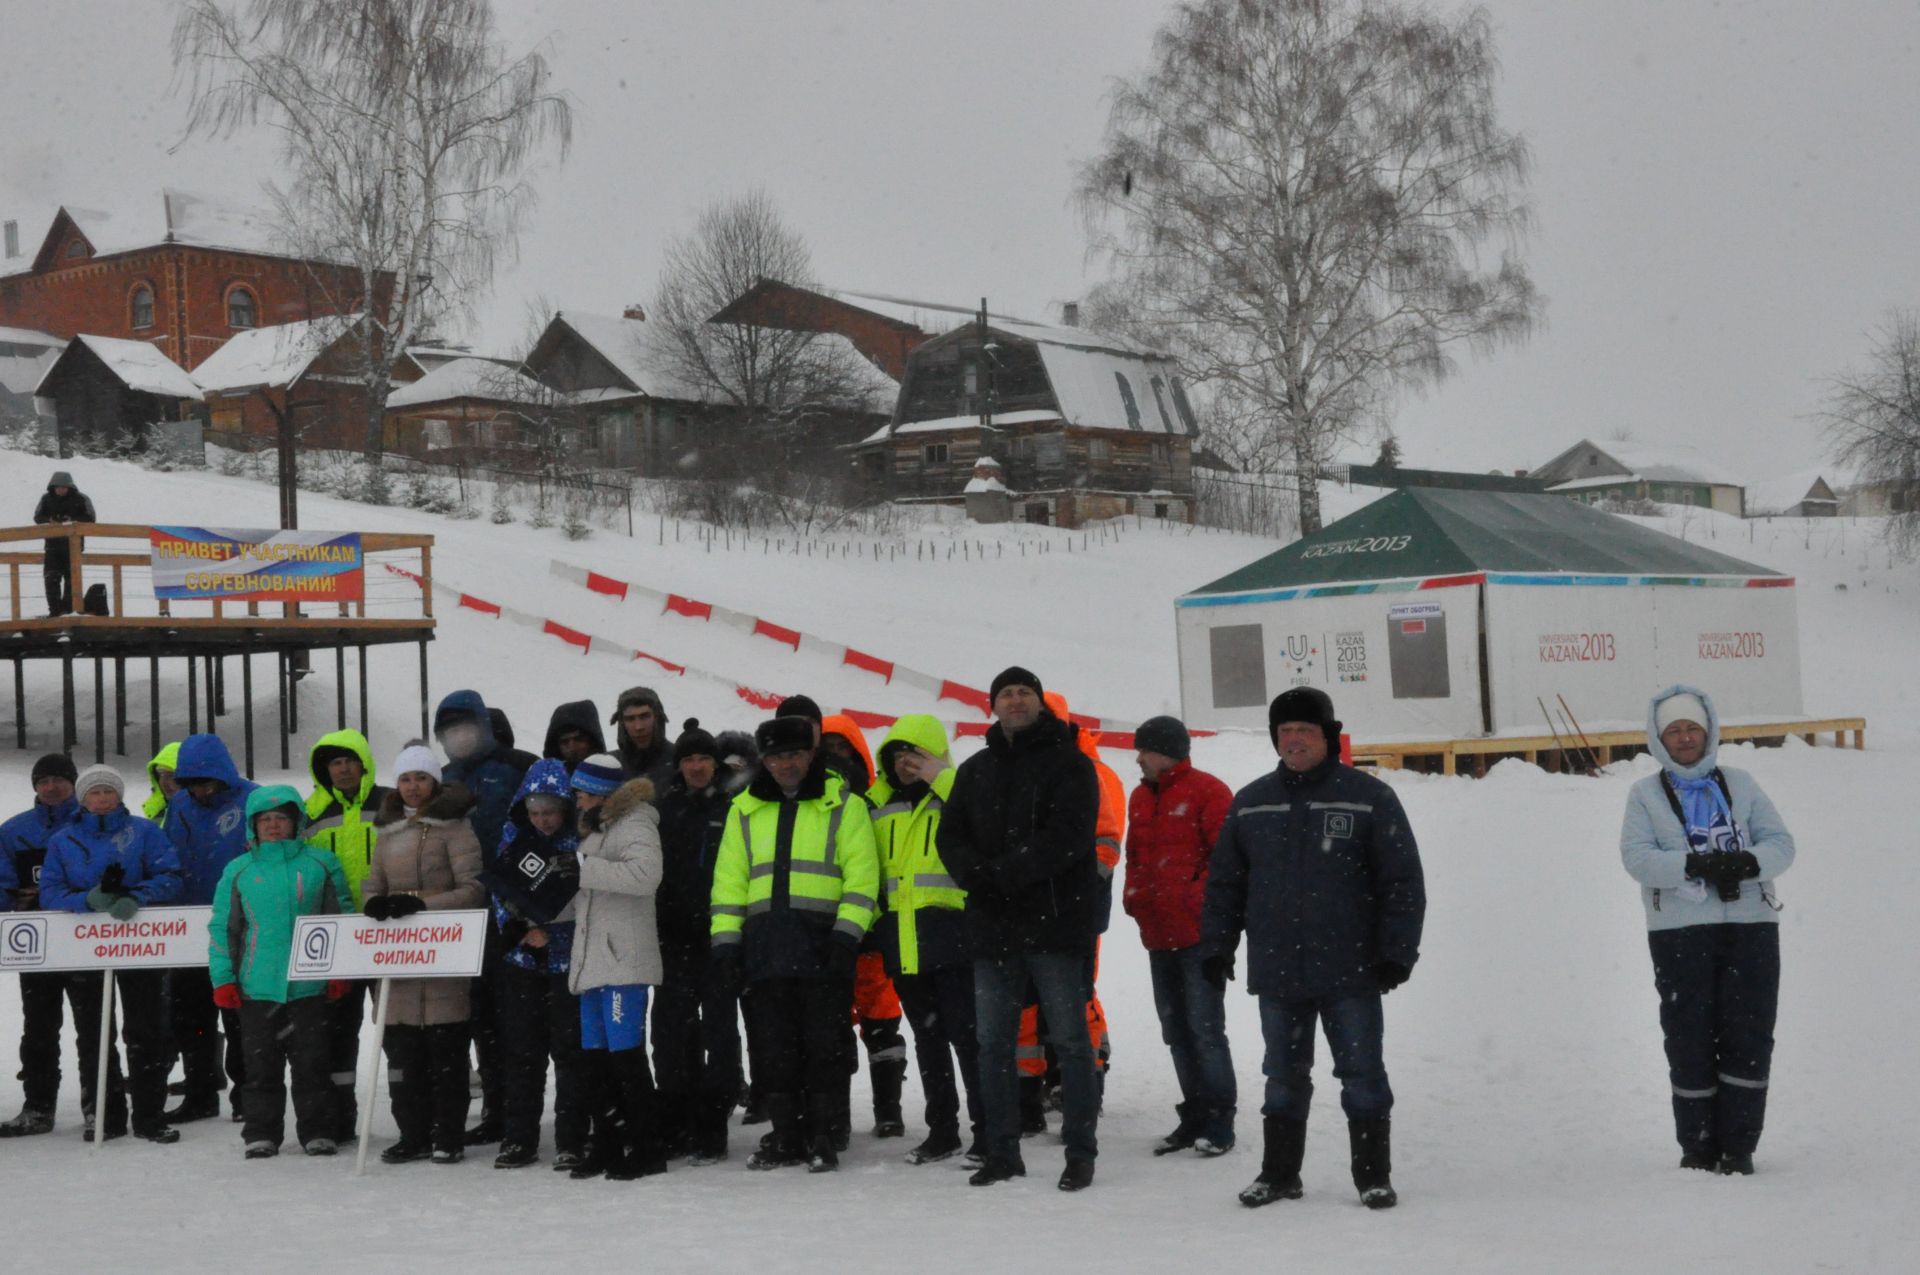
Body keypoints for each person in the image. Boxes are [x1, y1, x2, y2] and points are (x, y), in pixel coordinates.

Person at [1203, 687, 1425, 1210]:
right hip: (1279, 970)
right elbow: (1224, 886)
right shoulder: (1253, 801)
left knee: (1362, 1074)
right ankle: (1280, 1174)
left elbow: (1402, 882)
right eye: (1285, 732)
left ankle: (1373, 1176)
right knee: (1282, 1076)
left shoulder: (1368, 797)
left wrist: (1397, 950)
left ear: (1328, 736)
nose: (1294, 740)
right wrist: (1217, 948)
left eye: (1305, 730)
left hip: (1352, 968)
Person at [938, 666, 1103, 1192]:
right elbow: (951, 836)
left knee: (1072, 1043)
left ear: (1040, 703)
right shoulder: (976, 768)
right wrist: (976, 877)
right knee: (993, 1044)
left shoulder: (1071, 764)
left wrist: (1004, 874)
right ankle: (1002, 1151)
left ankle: (1080, 1153)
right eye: (1006, 693)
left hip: (1055, 925)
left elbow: (1070, 836)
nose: (1015, 700)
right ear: (993, 705)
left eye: (1024, 692)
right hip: (993, 927)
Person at [1621, 686, 1794, 1177]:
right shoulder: (1645, 795)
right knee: (1688, 1036)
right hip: (1679, 931)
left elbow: (1781, 844)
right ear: (1659, 739)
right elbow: (1637, 859)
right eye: (1673, 730)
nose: (1684, 737)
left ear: (1708, 731)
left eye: (1691, 728)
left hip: (1751, 927)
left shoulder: (1741, 784)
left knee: (1749, 1034)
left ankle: (1738, 1145)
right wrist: (1694, 865)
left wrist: (1746, 862)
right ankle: (1697, 1145)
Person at [710, 716, 879, 1173]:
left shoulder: (844, 805)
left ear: (811, 755)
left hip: (824, 946)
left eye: (795, 754)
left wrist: (846, 939)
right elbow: (729, 885)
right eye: (776, 755)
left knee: (824, 1047)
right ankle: (786, 1135)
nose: (786, 763)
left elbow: (862, 880)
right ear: (763, 760)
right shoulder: (743, 808)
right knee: (773, 1048)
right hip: (765, 949)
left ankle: (823, 1135)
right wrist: (726, 947)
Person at [39, 764, 184, 1144]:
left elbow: (170, 875)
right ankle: (106, 1113)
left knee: (145, 1030)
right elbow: (49, 891)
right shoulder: (64, 839)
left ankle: (150, 1115)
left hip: (138, 944)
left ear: (119, 796)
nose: (102, 800)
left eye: (109, 792)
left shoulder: (144, 832)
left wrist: (138, 896)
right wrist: (85, 900)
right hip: (85, 949)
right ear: (83, 799)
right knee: (93, 1033)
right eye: (94, 793)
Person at [208, 785, 354, 1159]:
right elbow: (225, 928)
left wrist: (341, 970)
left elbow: (340, 920)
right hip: (257, 985)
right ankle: (261, 1132)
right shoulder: (239, 870)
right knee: (260, 1067)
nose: (273, 826)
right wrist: (223, 977)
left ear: (296, 822)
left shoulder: (322, 864)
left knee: (313, 1064)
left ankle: (318, 1130)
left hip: (310, 986)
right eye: (265, 819)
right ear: (253, 826)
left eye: (282, 818)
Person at [868, 714, 984, 1166]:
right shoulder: (876, 806)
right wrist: (880, 923)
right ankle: (943, 1131)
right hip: (903, 943)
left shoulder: (957, 796)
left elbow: (984, 813)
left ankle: (988, 1130)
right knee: (928, 1040)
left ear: (935, 756)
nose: (905, 763)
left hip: (954, 939)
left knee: (968, 1040)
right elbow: (869, 870)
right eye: (897, 754)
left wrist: (944, 778)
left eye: (915, 753)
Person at [363, 741, 485, 1165]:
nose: (413, 787)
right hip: (398, 956)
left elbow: (472, 888)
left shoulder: (455, 827)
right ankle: (411, 1132)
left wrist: (423, 907)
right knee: (402, 1058)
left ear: (434, 781)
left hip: (441, 951)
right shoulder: (387, 830)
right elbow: (372, 884)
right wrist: (373, 904)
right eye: (405, 779)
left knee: (445, 1055)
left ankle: (447, 1133)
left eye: (420, 778)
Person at [1122, 715, 1236, 1157]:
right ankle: (1194, 1114)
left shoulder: (1209, 791)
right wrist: (1134, 896)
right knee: (1177, 1031)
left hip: (1197, 935)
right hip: (1158, 933)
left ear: (1166, 751)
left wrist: (1194, 899)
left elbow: (1226, 862)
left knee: (1206, 1030)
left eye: (1143, 749)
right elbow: (1134, 855)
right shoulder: (1138, 796)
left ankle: (1220, 1120)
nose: (1137, 758)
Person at [434, 688, 532, 1145]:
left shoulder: (517, 767)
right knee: (481, 1017)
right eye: (449, 731)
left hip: (511, 908)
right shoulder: (444, 777)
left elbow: (540, 828)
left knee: (517, 1016)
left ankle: (519, 1111)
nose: (458, 737)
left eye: (465, 728)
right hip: (464, 913)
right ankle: (495, 1107)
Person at [1018, 691, 1119, 1135]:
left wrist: (1075, 892)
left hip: (1076, 910)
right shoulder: (1027, 768)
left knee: (1074, 995)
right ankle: (1054, 1083)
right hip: (1038, 908)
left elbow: (1106, 843)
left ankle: (1078, 1082)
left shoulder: (1091, 772)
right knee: (1044, 998)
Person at [568, 752, 668, 1180]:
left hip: (623, 963)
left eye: (583, 794)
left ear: (603, 794)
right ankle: (609, 1141)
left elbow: (647, 876)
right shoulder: (597, 830)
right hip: (593, 964)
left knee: (626, 1060)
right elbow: (586, 891)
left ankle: (647, 1146)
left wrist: (584, 869)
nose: (577, 803)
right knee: (595, 1061)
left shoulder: (637, 823)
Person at [487, 759, 591, 1170]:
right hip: (522, 962)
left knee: (570, 1053)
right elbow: (499, 890)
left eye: (550, 811)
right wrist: (521, 929)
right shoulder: (512, 837)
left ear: (565, 808)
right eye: (535, 812)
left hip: (569, 963)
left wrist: (556, 933)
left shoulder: (581, 841)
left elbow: (590, 900)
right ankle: (519, 1139)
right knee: (523, 1054)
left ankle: (571, 1138)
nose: (543, 820)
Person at [652, 722, 744, 1164]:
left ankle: (712, 1122)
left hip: (719, 937)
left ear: (715, 763)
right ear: (679, 765)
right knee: (670, 1032)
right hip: (671, 939)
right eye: (688, 759)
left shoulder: (734, 807)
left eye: (703, 759)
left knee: (721, 1033)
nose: (696, 766)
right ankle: (676, 1117)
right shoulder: (663, 810)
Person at [820, 711, 908, 1145]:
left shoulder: (877, 803)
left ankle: (889, 1111)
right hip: (830, 932)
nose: (836, 759)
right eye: (827, 750)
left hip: (875, 934)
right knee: (833, 1028)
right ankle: (837, 1116)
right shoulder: (816, 808)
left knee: (882, 1025)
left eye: (844, 750)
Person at [164, 733, 259, 1123]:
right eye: (191, 783)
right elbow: (169, 856)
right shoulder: (180, 805)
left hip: (242, 923)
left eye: (205, 782)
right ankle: (201, 1091)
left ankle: (248, 1096)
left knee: (240, 1015)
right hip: (189, 924)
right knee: (192, 1015)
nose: (200, 790)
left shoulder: (254, 799)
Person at [303, 727, 391, 1139]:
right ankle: (338, 1120)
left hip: (390, 932)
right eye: (333, 763)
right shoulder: (312, 812)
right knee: (338, 1032)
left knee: (397, 1028)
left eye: (348, 760)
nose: (341, 769)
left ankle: (415, 1117)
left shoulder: (390, 803)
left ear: (363, 763)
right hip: (337, 938)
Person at [0, 753, 81, 1137]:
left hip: (87, 942)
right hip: (38, 943)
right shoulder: (14, 831)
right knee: (38, 1028)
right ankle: (37, 1106)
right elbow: (2, 884)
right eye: (43, 780)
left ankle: (100, 1106)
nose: (51, 787)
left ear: (73, 783)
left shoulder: (91, 821)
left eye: (58, 779)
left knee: (95, 1028)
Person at [33, 470, 94, 617]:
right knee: (51, 578)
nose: (61, 489)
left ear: (70, 486)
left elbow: (90, 518)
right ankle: (54, 611)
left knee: (71, 578)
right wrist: (50, 521)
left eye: (64, 486)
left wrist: (72, 520)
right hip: (52, 546)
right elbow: (37, 517)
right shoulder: (46, 499)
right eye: (58, 486)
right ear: (53, 487)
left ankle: (68, 610)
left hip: (73, 546)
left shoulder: (81, 499)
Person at [610, 687, 674, 786]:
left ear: (657, 717)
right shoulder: (609, 766)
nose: (639, 727)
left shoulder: (682, 761)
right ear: (622, 723)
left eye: (645, 716)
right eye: (630, 719)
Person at [543, 700, 607, 774]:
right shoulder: (547, 779)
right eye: (565, 742)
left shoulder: (611, 774)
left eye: (579, 739)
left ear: (592, 742)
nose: (572, 747)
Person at [142, 741, 182, 828]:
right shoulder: (157, 816)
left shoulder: (203, 817)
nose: (163, 782)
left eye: (171, 775)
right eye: (161, 774)